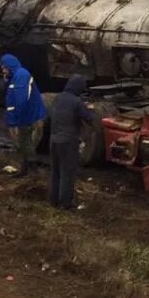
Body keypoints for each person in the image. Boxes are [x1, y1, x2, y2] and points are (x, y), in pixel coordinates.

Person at [48, 74, 96, 210]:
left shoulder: (57, 98)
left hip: (53, 140)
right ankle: (65, 203)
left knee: (56, 171)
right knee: (67, 173)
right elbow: (89, 119)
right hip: (68, 142)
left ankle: (53, 200)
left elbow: (51, 115)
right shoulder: (77, 102)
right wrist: (90, 109)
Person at [0, 54, 46, 175]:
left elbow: (21, 100)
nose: (3, 71)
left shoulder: (21, 76)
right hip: (25, 115)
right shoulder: (16, 76)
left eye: (4, 68)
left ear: (10, 66)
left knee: (25, 142)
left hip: (27, 116)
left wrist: (17, 119)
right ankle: (26, 168)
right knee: (24, 142)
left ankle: (32, 168)